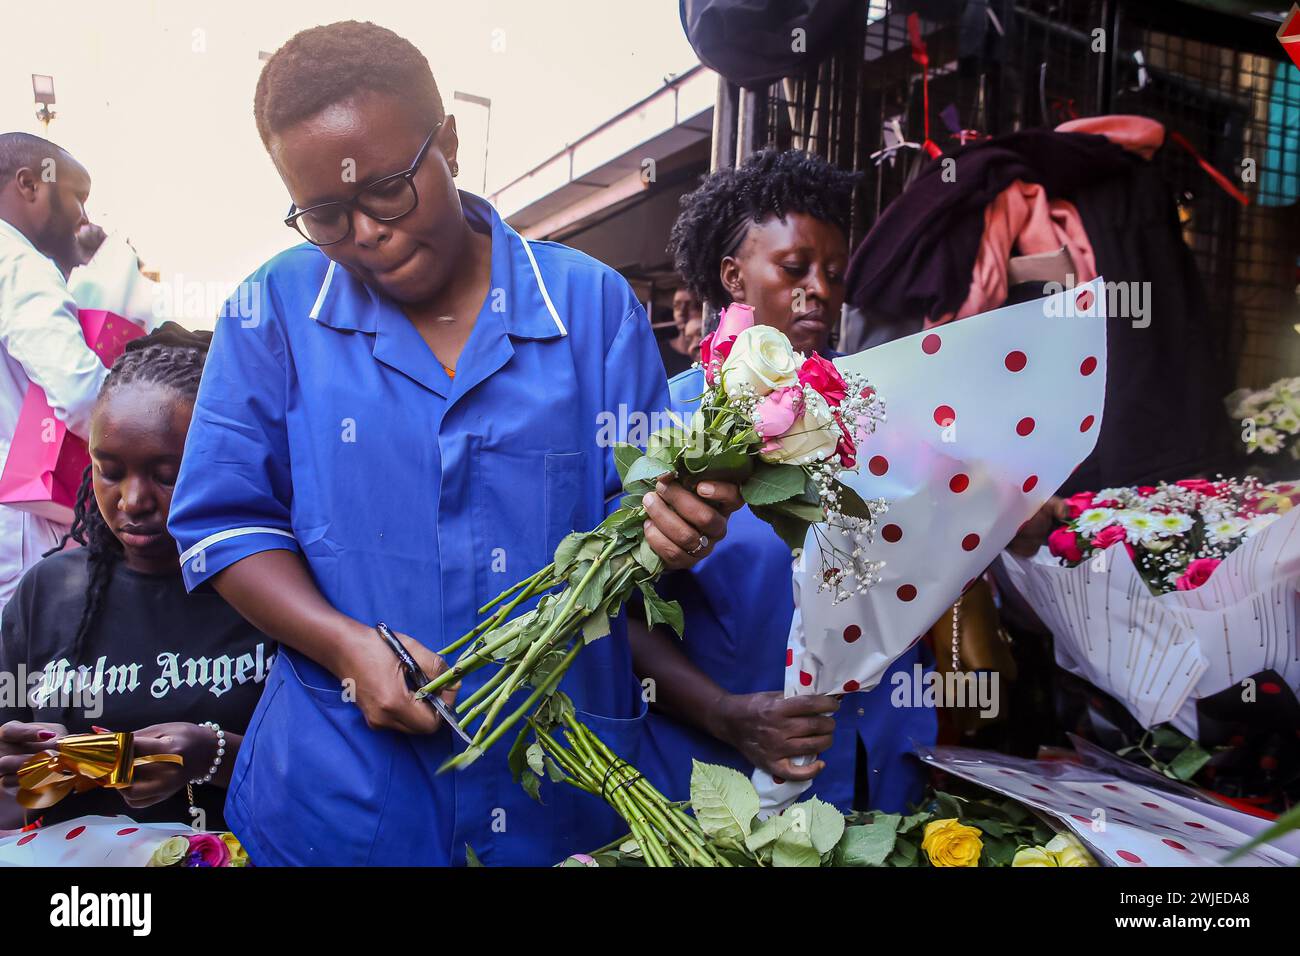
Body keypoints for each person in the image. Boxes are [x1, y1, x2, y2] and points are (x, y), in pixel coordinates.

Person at [166, 20, 741, 867]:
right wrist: (346, 647)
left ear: (452, 144)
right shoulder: (273, 314)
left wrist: (680, 527)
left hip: (558, 801)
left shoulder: (592, 312)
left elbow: (642, 529)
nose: (365, 233)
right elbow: (224, 525)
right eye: (325, 214)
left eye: (389, 191)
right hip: (343, 800)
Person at [634, 149, 938, 813]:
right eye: (796, 268)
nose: (821, 289)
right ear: (733, 278)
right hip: (722, 789)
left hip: (878, 776)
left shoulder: (883, 411)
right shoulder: (671, 422)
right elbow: (622, 613)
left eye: (834, 271)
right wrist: (723, 713)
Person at [0, 325, 272, 832]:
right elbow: (12, 805)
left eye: (166, 474)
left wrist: (214, 757)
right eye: (109, 470)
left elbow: (328, 778)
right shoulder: (48, 593)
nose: (132, 500)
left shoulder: (271, 589)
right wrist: (20, 774)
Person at [0, 133, 107, 613]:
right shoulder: (18, 265)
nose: (84, 216)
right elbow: (83, 395)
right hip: (20, 523)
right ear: (29, 184)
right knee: (30, 672)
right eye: (77, 195)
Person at [659, 287, 702, 376]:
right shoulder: (659, 353)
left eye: (690, 305)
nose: (682, 312)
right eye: (677, 306)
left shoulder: (712, 352)